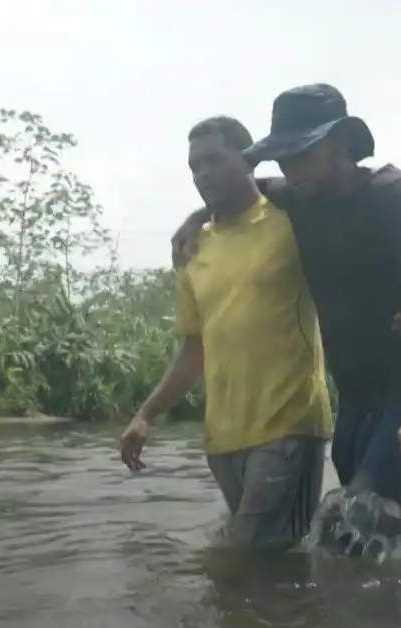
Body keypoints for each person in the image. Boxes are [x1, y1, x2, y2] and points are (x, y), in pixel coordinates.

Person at [171, 84, 401, 515]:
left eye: (302, 154)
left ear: (342, 144)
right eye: (283, 157)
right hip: (354, 401)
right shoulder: (297, 197)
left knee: (357, 521)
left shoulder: (400, 200)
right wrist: (195, 218)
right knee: (360, 543)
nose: (291, 169)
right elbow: (241, 187)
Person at [119, 116, 334, 550]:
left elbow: (333, 201)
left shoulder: (292, 222)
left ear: (249, 160)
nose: (203, 175)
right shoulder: (193, 250)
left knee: (250, 557)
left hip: (289, 426)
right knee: (271, 566)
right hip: (223, 439)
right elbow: (193, 351)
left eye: (214, 161)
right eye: (195, 167)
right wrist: (146, 414)